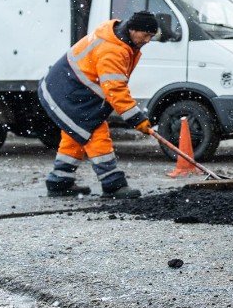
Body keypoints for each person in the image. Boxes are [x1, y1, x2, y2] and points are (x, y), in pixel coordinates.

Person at [38, 10, 159, 199]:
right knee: (96, 133)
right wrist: (137, 119)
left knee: (76, 135)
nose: (148, 40)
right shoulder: (113, 49)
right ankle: (113, 184)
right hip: (68, 91)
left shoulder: (121, 38)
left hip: (67, 88)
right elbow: (115, 89)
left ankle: (59, 182)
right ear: (134, 29)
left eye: (151, 36)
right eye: (146, 35)